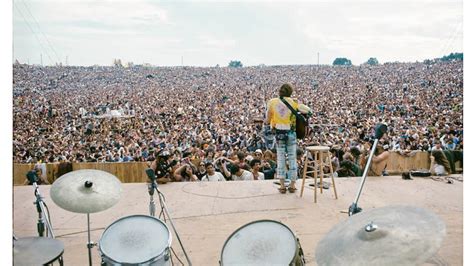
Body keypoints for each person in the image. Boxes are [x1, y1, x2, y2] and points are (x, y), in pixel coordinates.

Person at [265, 83, 311, 193]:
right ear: (290, 92)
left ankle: (282, 185)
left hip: (279, 133)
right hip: (291, 133)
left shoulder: (272, 102)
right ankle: (292, 185)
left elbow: (267, 119)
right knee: (292, 158)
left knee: (280, 158)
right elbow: (308, 111)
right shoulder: (294, 102)